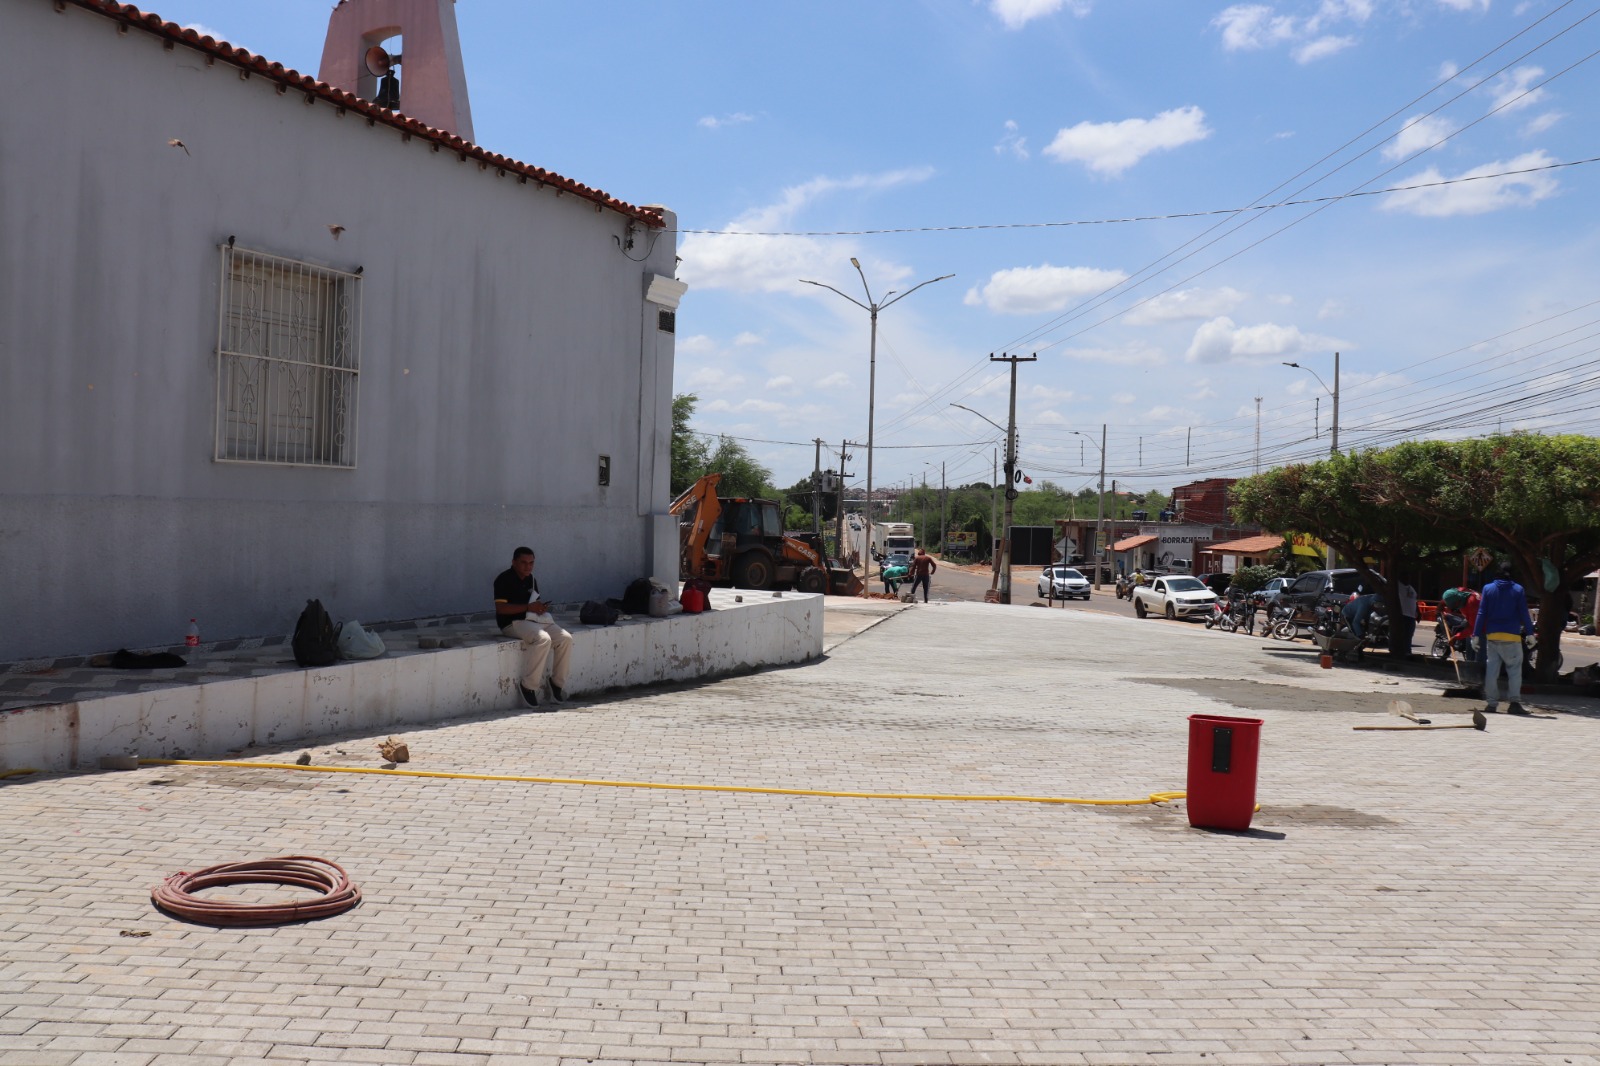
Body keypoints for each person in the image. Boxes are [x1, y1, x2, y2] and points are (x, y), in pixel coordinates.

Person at [492, 546, 573, 708]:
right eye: (523, 563)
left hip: (533, 620)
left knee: (565, 638)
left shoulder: (532, 579)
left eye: (531, 563)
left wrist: (539, 608)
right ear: (514, 562)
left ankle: (557, 683)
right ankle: (528, 686)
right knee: (543, 639)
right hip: (511, 623)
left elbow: (533, 603)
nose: (528, 567)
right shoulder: (503, 579)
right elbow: (501, 609)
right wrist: (528, 608)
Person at [1473, 563, 1534, 719]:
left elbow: (1481, 613)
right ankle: (1514, 704)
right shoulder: (1518, 590)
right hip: (1512, 637)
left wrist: (1476, 635)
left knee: (1492, 671)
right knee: (1514, 671)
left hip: (1492, 636)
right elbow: (1524, 613)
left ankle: (1492, 704)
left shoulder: (1488, 589)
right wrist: (1530, 633)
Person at [1395, 579, 1418, 657]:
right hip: (1403, 615)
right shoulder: (1397, 585)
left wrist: (1418, 612)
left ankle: (1407, 651)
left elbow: (1414, 601)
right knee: (1402, 635)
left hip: (1411, 616)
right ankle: (1400, 652)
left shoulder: (1411, 588)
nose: (1408, 577)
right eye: (1406, 576)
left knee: (1409, 635)